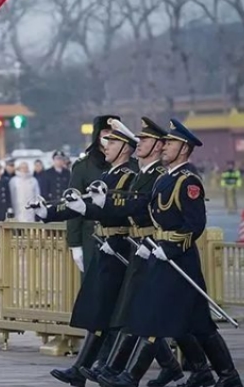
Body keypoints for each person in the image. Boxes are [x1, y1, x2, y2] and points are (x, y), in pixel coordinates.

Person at [98, 119, 242, 387]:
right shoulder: (166, 178)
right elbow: (145, 206)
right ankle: (221, 374)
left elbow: (194, 224)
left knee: (157, 315)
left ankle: (131, 377)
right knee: (197, 323)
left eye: (171, 143)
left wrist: (171, 246)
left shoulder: (188, 180)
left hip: (179, 260)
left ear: (185, 149)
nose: (165, 147)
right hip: (160, 255)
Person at [76, 118, 185, 387]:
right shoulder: (141, 175)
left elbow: (143, 208)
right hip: (140, 250)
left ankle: (119, 370)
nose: (140, 145)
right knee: (139, 312)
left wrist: (167, 245)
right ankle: (118, 369)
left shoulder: (161, 177)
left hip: (156, 250)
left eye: (146, 141)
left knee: (160, 314)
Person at [29, 118, 137, 387]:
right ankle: (84, 369)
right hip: (105, 248)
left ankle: (111, 367)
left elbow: (123, 209)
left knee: (126, 316)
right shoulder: (109, 173)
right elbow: (83, 205)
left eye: (111, 141)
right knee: (102, 312)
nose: (106, 145)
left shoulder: (131, 175)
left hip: (123, 248)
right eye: (106, 139)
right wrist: (48, 213)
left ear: (124, 147)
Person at [66, 115, 115, 276]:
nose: (109, 136)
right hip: (92, 237)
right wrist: (75, 244)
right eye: (106, 131)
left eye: (113, 132)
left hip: (122, 237)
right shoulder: (83, 167)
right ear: (97, 135)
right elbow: (73, 203)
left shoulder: (131, 165)